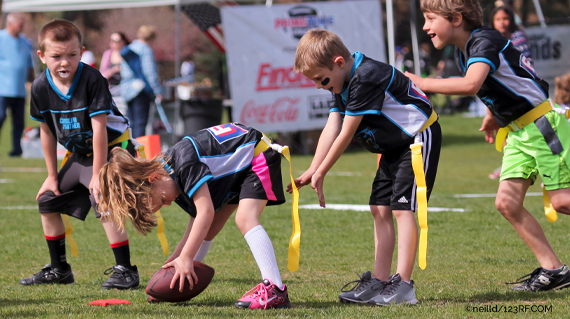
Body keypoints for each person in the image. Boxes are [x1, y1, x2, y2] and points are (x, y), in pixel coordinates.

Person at [406, 0, 570, 291]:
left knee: (562, 201)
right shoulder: (463, 51)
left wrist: (422, 82)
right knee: (506, 203)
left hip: (543, 127)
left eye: (430, 19)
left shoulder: (484, 41)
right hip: (519, 133)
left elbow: (471, 84)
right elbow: (504, 83)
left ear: (455, 18)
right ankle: (554, 270)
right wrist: (494, 116)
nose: (425, 26)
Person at [291, 29, 441, 305]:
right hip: (393, 147)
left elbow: (346, 132)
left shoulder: (365, 76)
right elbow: (332, 125)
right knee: (379, 208)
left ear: (338, 62)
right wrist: (313, 168)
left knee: (402, 208)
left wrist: (324, 171)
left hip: (418, 137)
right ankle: (380, 282)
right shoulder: (341, 80)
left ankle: (404, 286)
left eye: (320, 79)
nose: (318, 86)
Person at [98, 123, 291, 309]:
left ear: (154, 178)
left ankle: (275, 289)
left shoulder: (183, 164)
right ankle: (181, 278)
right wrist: (175, 262)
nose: (168, 203)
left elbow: (205, 212)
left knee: (245, 218)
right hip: (237, 168)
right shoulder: (168, 171)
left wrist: (187, 257)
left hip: (257, 154)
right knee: (209, 230)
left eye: (163, 200)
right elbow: (198, 222)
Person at [20, 19, 140, 290]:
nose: (65, 62)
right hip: (80, 153)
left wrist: (99, 176)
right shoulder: (40, 87)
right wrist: (51, 176)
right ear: (41, 56)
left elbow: (99, 130)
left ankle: (126, 271)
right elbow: (47, 132)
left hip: (113, 149)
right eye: (57, 56)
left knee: (103, 197)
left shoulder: (92, 79)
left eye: (72, 55)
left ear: (82, 52)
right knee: (48, 200)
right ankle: (59, 269)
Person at [0, 13, 34, 157]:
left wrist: (33, 80)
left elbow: (28, 63)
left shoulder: (24, 41)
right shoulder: (1, 38)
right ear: (10, 23)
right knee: (0, 118)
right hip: (2, 88)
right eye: (20, 24)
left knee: (19, 122)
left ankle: (16, 149)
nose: (22, 27)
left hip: (19, 89)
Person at [120, 25, 162, 138]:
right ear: (151, 38)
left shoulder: (129, 48)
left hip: (127, 90)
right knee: (141, 123)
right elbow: (150, 72)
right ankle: (138, 152)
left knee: (131, 123)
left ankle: (130, 151)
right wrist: (157, 90)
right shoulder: (145, 49)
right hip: (140, 90)